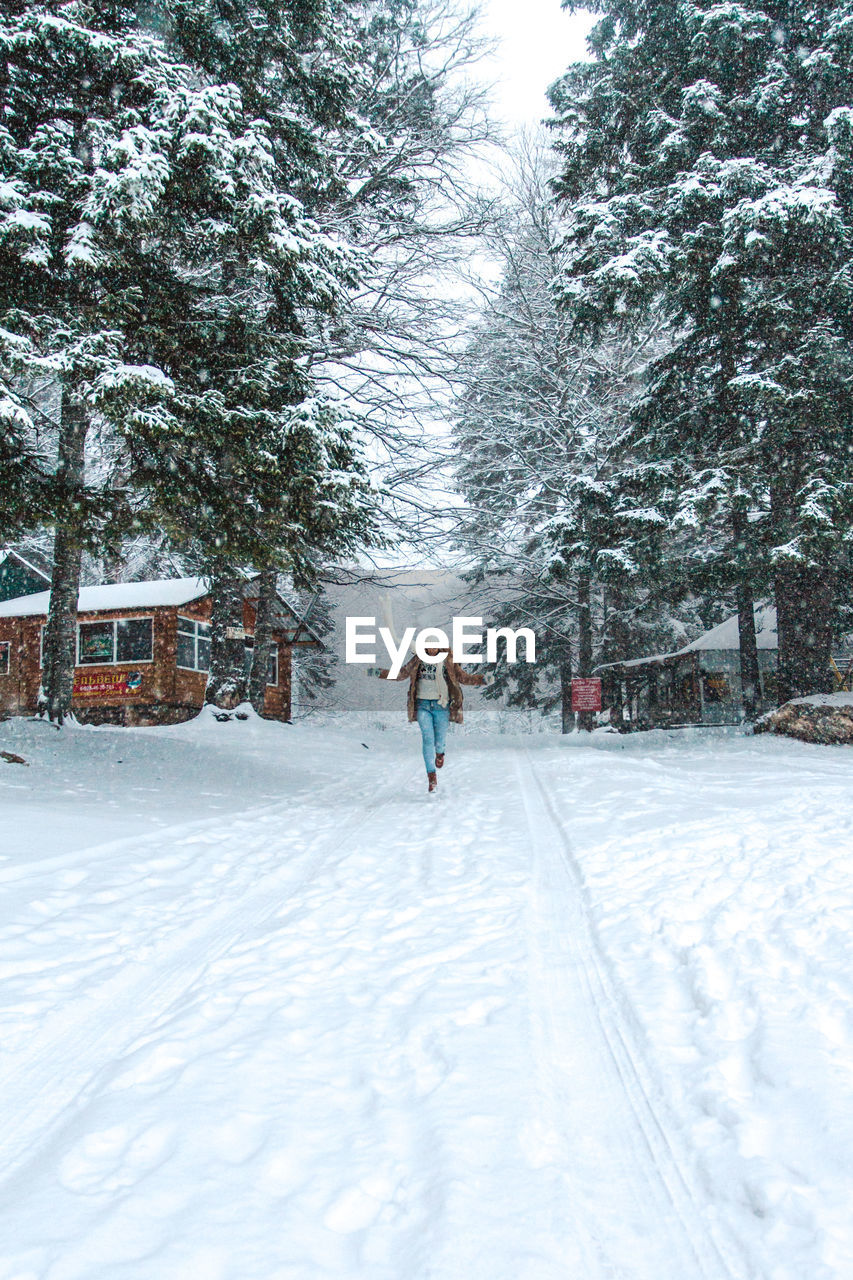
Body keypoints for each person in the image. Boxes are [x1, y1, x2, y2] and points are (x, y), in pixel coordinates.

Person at [378, 645, 487, 792]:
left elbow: (463, 677)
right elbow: (402, 674)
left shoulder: (448, 660)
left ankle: (440, 754)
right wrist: (379, 673)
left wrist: (483, 679)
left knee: (439, 741)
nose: (432, 650)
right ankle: (431, 776)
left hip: (441, 705)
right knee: (428, 739)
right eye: (429, 647)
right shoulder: (418, 659)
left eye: (435, 647)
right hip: (423, 705)